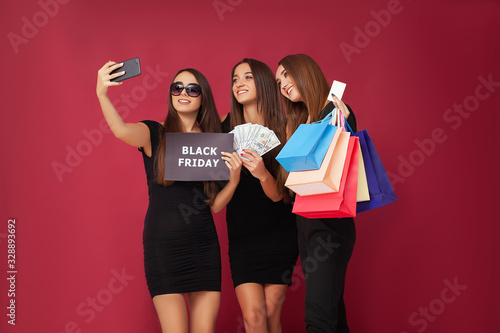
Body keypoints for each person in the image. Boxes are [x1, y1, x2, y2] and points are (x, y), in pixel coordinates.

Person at [96, 61, 242, 333]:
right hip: (164, 246)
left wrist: (233, 181)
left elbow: (216, 205)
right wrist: (102, 94)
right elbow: (121, 131)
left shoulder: (213, 141)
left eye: (192, 89)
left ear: (203, 97)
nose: (183, 92)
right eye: (177, 87)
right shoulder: (154, 132)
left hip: (203, 246)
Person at [275, 54, 357, 333]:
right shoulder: (298, 123)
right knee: (332, 317)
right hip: (306, 230)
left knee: (319, 320)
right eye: (279, 80)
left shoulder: (334, 111)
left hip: (330, 227)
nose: (283, 83)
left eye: (287, 74)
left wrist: (344, 120)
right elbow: (291, 185)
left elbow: (342, 163)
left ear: (305, 71)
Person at [221, 58, 299, 333]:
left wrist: (263, 173)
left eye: (247, 77)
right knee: (254, 316)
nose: (239, 83)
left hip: (279, 229)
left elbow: (281, 197)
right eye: (234, 79)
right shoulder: (224, 129)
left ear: (264, 82)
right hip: (243, 233)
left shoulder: (287, 129)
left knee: (272, 308)